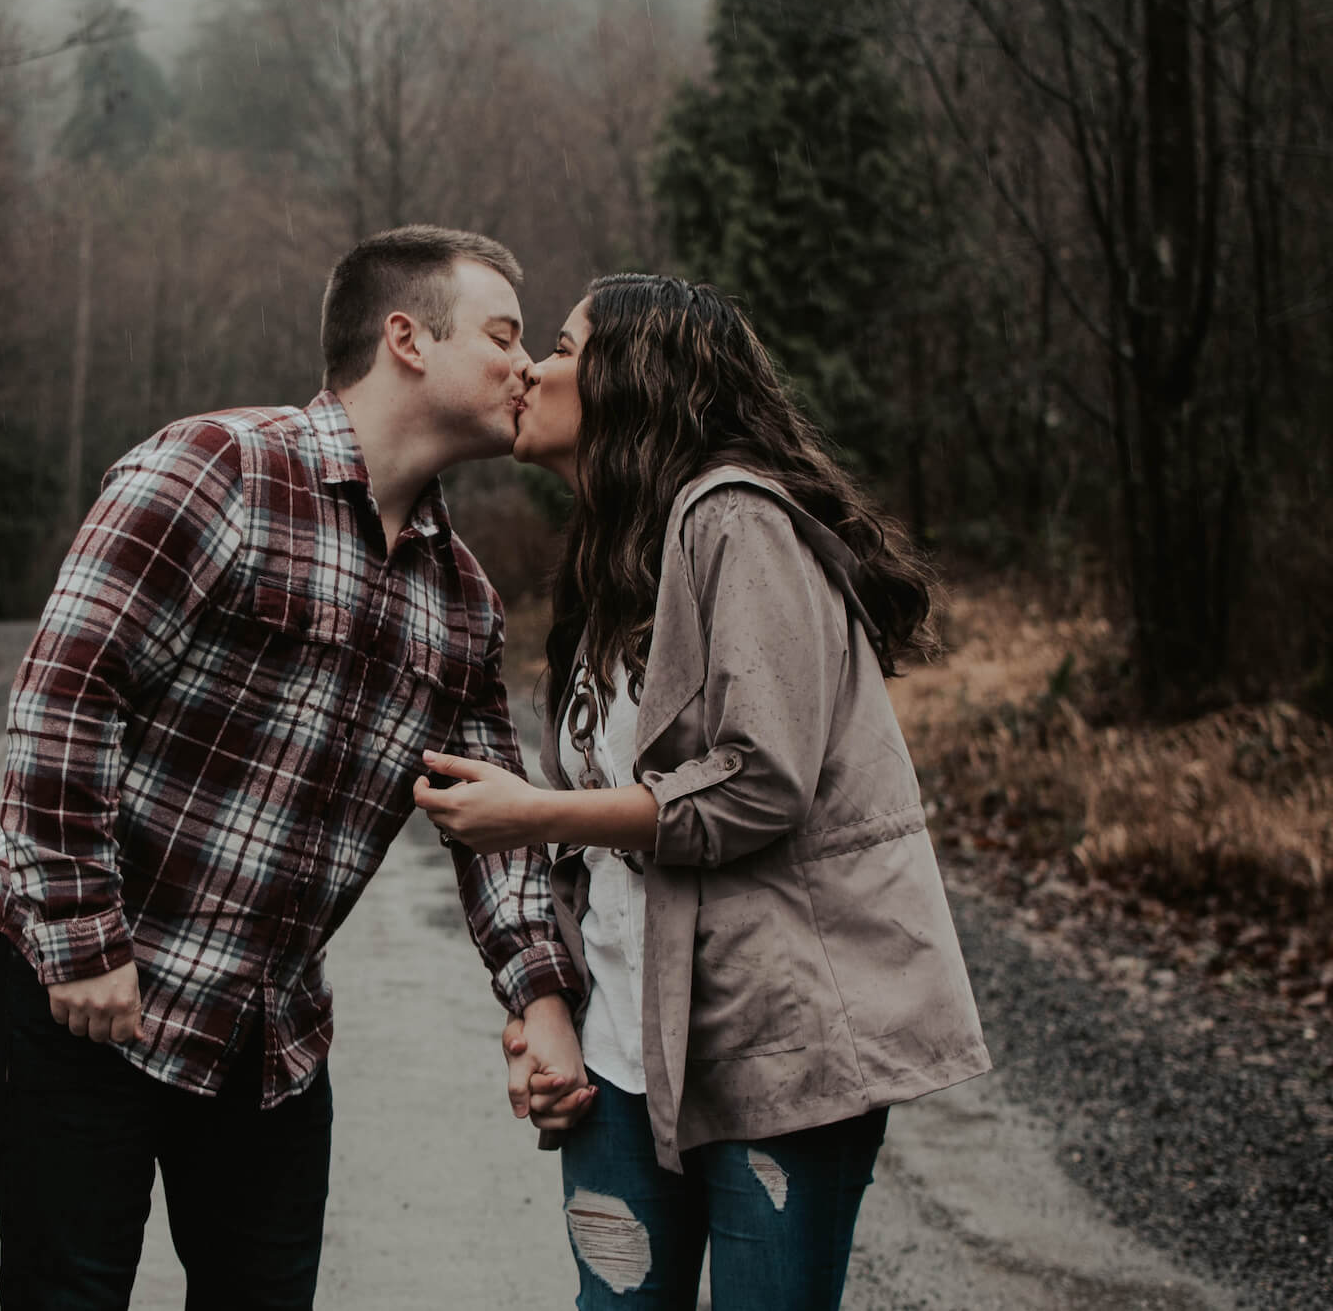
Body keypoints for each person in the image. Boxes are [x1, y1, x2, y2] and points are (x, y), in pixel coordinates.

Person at [0, 225, 589, 1309]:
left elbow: (492, 827)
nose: (528, 366)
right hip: (90, 1005)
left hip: (268, 1046)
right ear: (406, 338)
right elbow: (66, 695)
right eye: (503, 336)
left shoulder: (462, 599)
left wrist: (540, 996)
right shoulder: (218, 469)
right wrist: (78, 937)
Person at [414, 274, 991, 1309]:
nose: (532, 369)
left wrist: (532, 811)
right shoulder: (610, 566)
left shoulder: (735, 519)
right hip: (620, 1052)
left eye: (561, 346)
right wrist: (545, 1012)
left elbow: (758, 784)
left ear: (635, 380)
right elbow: (602, 852)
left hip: (774, 1050)